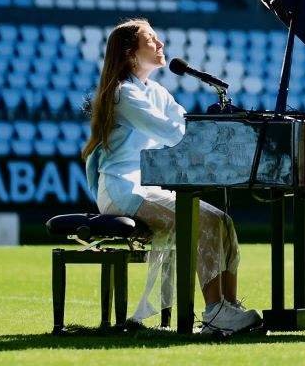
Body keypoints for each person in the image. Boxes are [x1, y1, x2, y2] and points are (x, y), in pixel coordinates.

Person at [81, 18, 261, 334]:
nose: (161, 44)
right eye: (151, 40)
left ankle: (228, 308)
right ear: (129, 53)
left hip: (145, 187)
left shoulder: (157, 91)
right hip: (122, 189)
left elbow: (181, 125)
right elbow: (171, 131)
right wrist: (196, 129)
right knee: (203, 220)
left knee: (223, 221)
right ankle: (214, 311)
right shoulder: (124, 94)